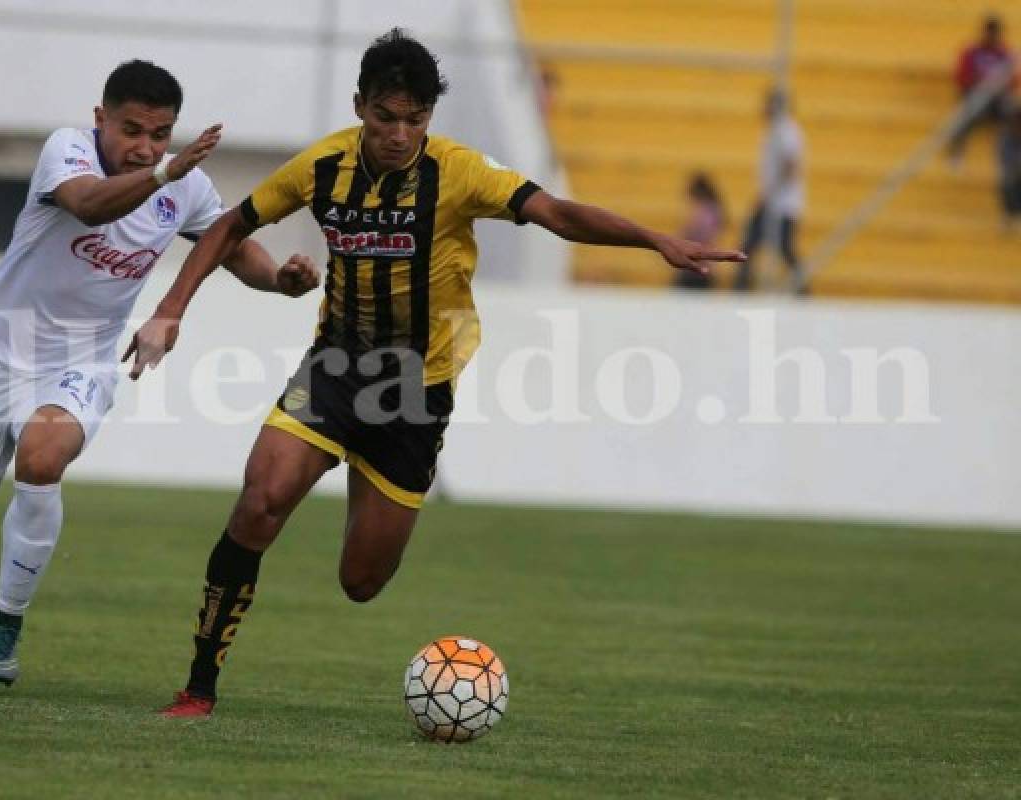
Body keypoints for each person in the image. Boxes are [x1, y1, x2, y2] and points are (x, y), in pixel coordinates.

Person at [123, 29, 745, 717]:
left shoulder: (458, 172)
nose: (398, 133)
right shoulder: (320, 166)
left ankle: (361, 472)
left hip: (417, 391)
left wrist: (655, 239)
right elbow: (229, 226)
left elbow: (557, 215)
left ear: (429, 118)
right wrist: (171, 309)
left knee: (361, 581)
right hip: (335, 365)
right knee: (260, 499)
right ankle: (198, 687)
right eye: (385, 117)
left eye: (414, 120)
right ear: (360, 106)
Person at [0, 60, 319, 685]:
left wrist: (280, 281)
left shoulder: (181, 183)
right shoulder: (69, 152)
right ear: (100, 118)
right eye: (132, 130)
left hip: (79, 362)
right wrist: (166, 171)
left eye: (160, 134)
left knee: (43, 456)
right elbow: (86, 208)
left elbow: (232, 246)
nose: (146, 147)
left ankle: (5, 624)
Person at [735, 88, 805, 294]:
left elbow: (791, 165)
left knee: (758, 244)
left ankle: (740, 287)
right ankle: (741, 286)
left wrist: (769, 193)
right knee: (760, 244)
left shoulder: (786, 130)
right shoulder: (777, 130)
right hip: (776, 201)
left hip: (781, 203)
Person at [949, 14, 1016, 165]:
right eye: (989, 33)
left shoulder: (1006, 54)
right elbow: (961, 77)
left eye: (995, 34)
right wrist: (977, 82)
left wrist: (1000, 85)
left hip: (997, 98)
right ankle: (956, 152)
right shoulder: (971, 52)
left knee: (1012, 111)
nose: (992, 37)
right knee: (965, 114)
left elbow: (1013, 82)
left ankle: (1011, 157)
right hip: (975, 94)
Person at [673, 172, 728, 290]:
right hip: (703, 263)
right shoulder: (714, 209)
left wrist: (682, 236)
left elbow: (699, 234)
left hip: (697, 264)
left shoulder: (706, 211)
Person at [999, 103, 1021, 231]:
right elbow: (1006, 161)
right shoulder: (1006, 138)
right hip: (1015, 176)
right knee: (1008, 179)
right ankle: (1011, 215)